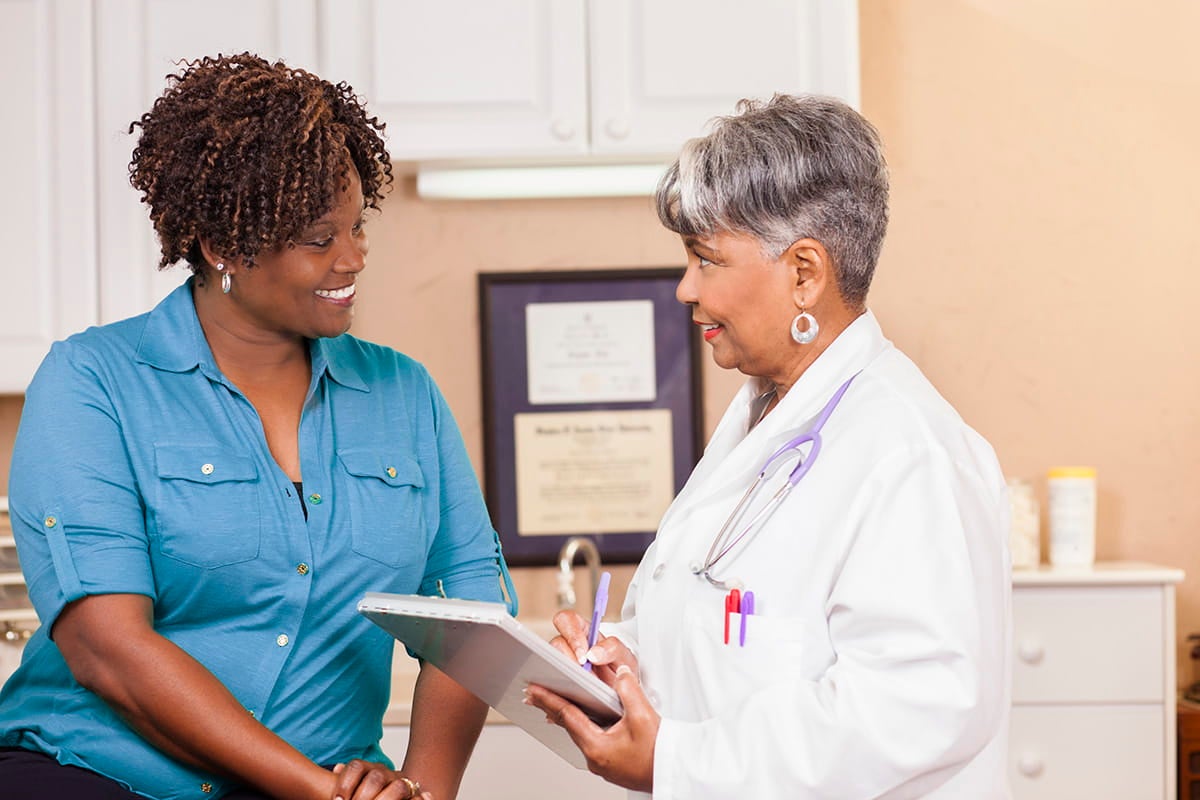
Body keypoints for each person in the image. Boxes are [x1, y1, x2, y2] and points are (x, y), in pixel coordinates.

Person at [0, 53, 514, 800]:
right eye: (317, 238)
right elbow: (103, 646)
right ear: (222, 248)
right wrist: (315, 790)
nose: (353, 258)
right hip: (94, 775)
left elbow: (472, 618)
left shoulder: (404, 395)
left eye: (357, 226)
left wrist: (420, 792)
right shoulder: (93, 382)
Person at [525, 94, 1011, 798]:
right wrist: (622, 666)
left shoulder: (910, 453)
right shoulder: (765, 416)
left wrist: (677, 763)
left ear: (805, 273)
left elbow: (918, 705)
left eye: (705, 259)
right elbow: (734, 638)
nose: (686, 288)